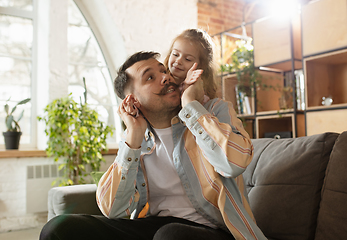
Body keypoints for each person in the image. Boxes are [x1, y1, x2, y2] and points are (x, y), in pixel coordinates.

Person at [40, 51, 266, 240]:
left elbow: (234, 163)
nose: (166, 77)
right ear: (132, 101)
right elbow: (114, 209)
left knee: (170, 236)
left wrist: (191, 105)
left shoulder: (213, 111)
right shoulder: (137, 141)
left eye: (163, 71)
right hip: (155, 229)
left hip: (217, 231)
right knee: (59, 228)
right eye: (150, 78)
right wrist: (134, 135)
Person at [164, 28, 218, 102]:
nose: (178, 61)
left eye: (188, 59)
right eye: (175, 54)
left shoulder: (200, 93)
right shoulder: (162, 80)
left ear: (201, 65)